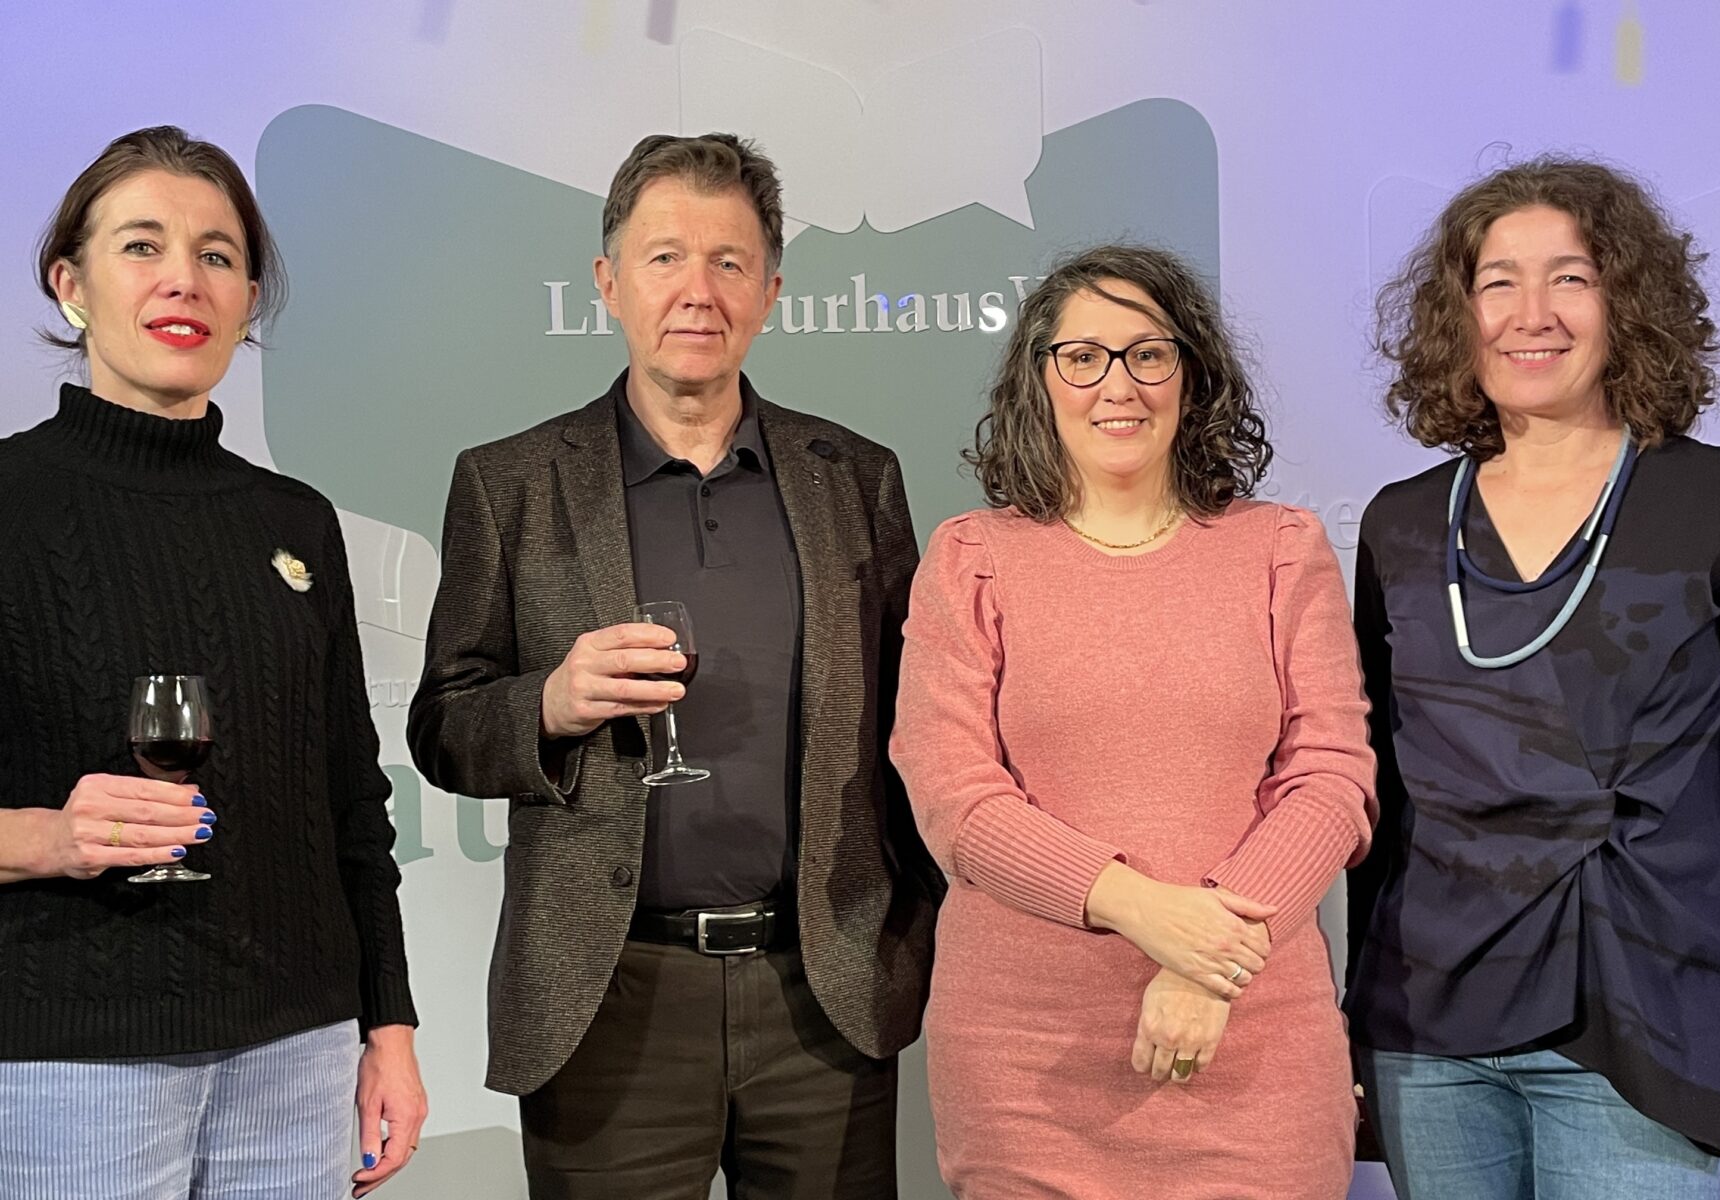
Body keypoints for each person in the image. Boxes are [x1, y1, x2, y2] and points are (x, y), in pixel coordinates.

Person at [406, 132, 938, 1199]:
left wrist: (908, 934)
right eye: (665, 258)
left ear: (771, 292)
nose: (699, 290)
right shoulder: (510, 483)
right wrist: (549, 704)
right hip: (609, 1000)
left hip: (821, 996)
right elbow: (443, 726)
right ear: (609, 282)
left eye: (729, 261)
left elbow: (917, 728)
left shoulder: (856, 478)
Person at [1346, 155, 1720, 1199]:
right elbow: (1376, 794)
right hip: (1429, 1039)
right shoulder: (1401, 524)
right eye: (1498, 282)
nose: (1531, 314)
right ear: (1458, 315)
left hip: (1653, 1026)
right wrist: (1353, 1014)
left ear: (1626, 303)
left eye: (1572, 278)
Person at [890, 243, 1377, 1198]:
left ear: (1192, 375)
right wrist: (1147, 912)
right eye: (1083, 357)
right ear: (1039, 381)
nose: (1118, 385)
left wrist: (1205, 965)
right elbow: (954, 797)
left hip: (1252, 1042)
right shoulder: (971, 558)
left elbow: (1332, 779)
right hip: (1026, 1061)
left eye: (1148, 354)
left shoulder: (1280, 549)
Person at [0, 126, 425, 1199]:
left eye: (218, 255)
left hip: (298, 1054)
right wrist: (49, 838)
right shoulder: (9, 505)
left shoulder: (295, 522)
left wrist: (389, 1025)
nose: (183, 278)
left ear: (247, 301)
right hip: (70, 1063)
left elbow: (351, 801)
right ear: (70, 285)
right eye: (141, 246)